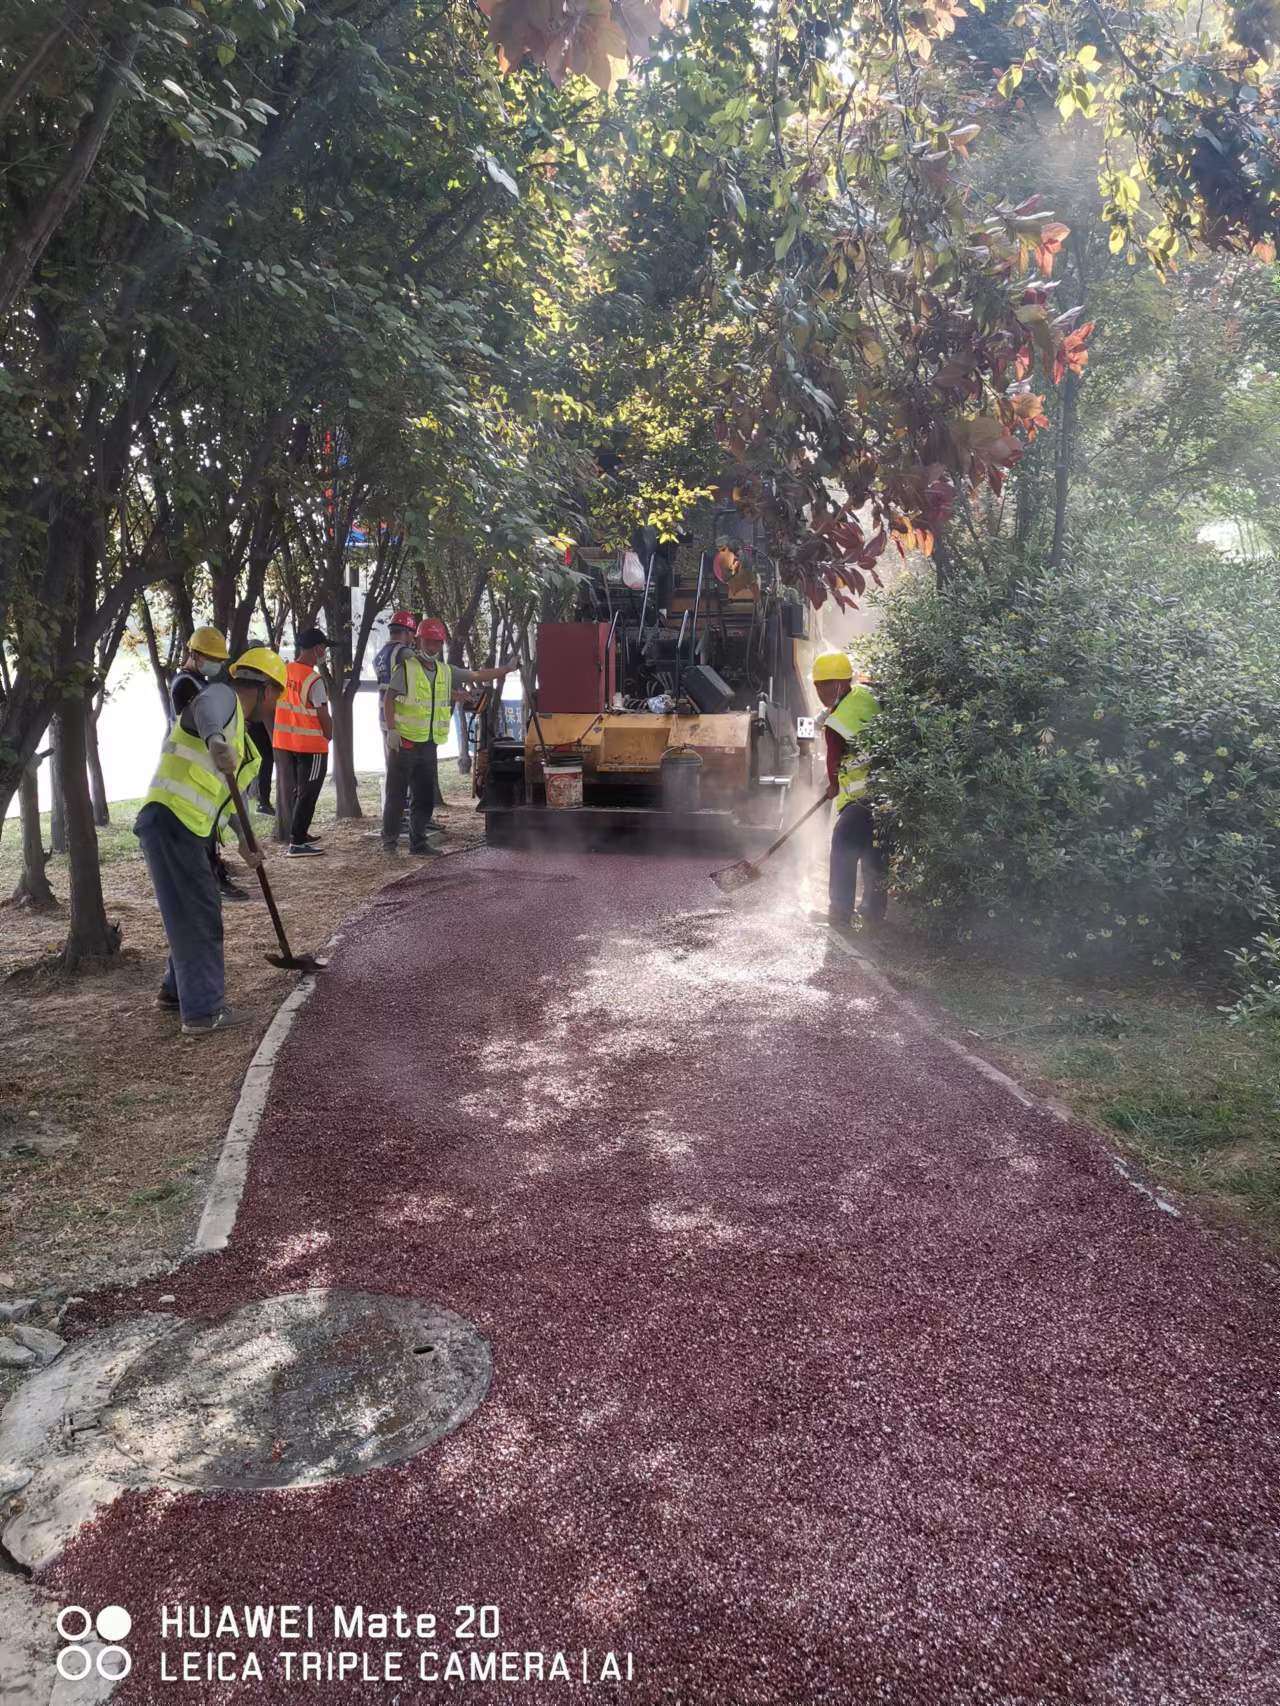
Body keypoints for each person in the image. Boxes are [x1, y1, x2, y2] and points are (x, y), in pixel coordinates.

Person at [135, 646, 287, 1036]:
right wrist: (216, 738)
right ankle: (204, 1011)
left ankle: (175, 992)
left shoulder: (243, 736)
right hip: (173, 820)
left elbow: (228, 797)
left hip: (186, 827)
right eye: (277, 695)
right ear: (265, 688)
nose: (275, 706)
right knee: (199, 914)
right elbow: (205, 708)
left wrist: (244, 838)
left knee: (192, 910)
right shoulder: (223, 697)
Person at [381, 618, 513, 855]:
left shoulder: (445, 671)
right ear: (418, 641)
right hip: (405, 743)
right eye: (428, 642)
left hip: (428, 744)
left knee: (424, 797)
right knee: (396, 795)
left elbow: (476, 675)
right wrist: (391, 730)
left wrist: (506, 669)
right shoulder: (406, 668)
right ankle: (389, 844)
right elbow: (389, 699)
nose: (432, 647)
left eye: (437, 643)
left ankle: (418, 843)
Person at [169, 626, 249, 905]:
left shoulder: (198, 681)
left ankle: (214, 875)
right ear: (194, 654)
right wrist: (216, 740)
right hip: (193, 768)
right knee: (203, 829)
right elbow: (200, 721)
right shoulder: (185, 684)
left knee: (210, 827)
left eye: (219, 659)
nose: (216, 664)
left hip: (205, 767)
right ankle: (213, 881)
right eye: (211, 658)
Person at [813, 649, 886, 929]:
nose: (821, 692)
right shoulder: (864, 695)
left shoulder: (835, 725)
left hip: (859, 798)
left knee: (843, 846)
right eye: (818, 686)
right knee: (874, 851)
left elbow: (833, 761)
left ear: (841, 683)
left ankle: (840, 912)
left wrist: (833, 786)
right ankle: (873, 912)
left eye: (826, 685)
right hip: (886, 794)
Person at [273, 626, 333, 858]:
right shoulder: (313, 679)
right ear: (317, 649)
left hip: (286, 743)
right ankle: (297, 842)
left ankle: (300, 833)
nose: (325, 653)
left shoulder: (284, 671)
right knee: (309, 793)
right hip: (311, 745)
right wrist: (329, 734)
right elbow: (322, 713)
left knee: (300, 791)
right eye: (324, 648)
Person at [373, 611, 418, 727]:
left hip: (384, 719)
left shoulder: (379, 656)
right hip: (400, 720)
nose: (413, 639)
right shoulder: (405, 653)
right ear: (407, 632)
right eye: (413, 635)